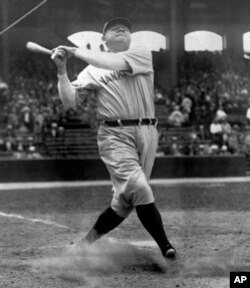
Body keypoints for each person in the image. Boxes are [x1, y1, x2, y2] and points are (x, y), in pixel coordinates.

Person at [51, 17, 176, 260]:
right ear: (103, 38)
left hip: (148, 132)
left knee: (125, 201)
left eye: (126, 28)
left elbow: (113, 62)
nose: (122, 29)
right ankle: (166, 247)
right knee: (139, 187)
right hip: (114, 134)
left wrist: (76, 51)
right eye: (113, 28)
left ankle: (83, 245)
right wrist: (62, 71)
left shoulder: (140, 53)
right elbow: (69, 102)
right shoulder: (92, 70)